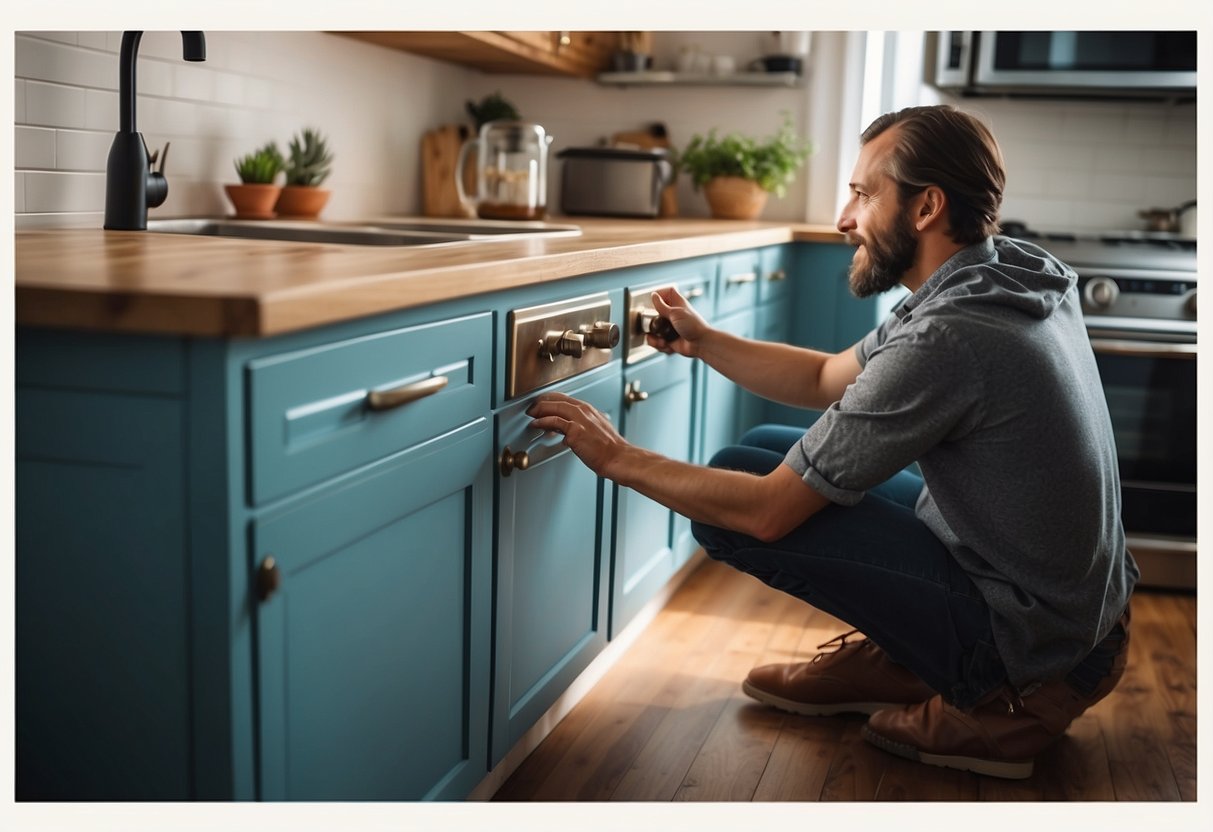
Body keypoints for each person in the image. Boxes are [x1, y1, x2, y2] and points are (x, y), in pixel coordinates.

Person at [525, 104, 1137, 780]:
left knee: (736, 508)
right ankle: (912, 655)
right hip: (1077, 608)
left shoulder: (950, 337)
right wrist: (704, 341)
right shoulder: (1005, 271)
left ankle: (1002, 699)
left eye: (862, 194)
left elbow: (766, 514)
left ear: (925, 206)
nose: (845, 218)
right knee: (753, 450)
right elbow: (825, 376)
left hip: (1039, 644)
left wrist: (618, 458)